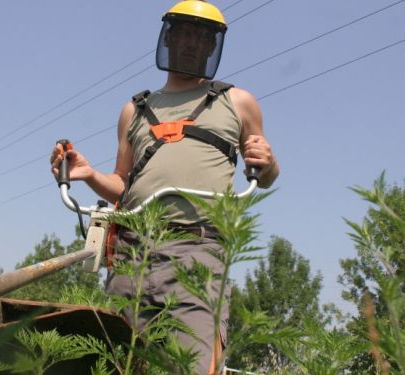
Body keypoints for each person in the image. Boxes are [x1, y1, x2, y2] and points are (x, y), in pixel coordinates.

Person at [50, 1, 279, 373]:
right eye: (185, 33)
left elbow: (264, 174)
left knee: (187, 364)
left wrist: (267, 163)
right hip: (133, 253)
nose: (192, 43)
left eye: (202, 37)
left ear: (212, 47)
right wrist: (90, 174)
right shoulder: (135, 110)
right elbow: (122, 185)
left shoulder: (238, 102)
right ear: (168, 39)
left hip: (199, 250)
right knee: (118, 361)